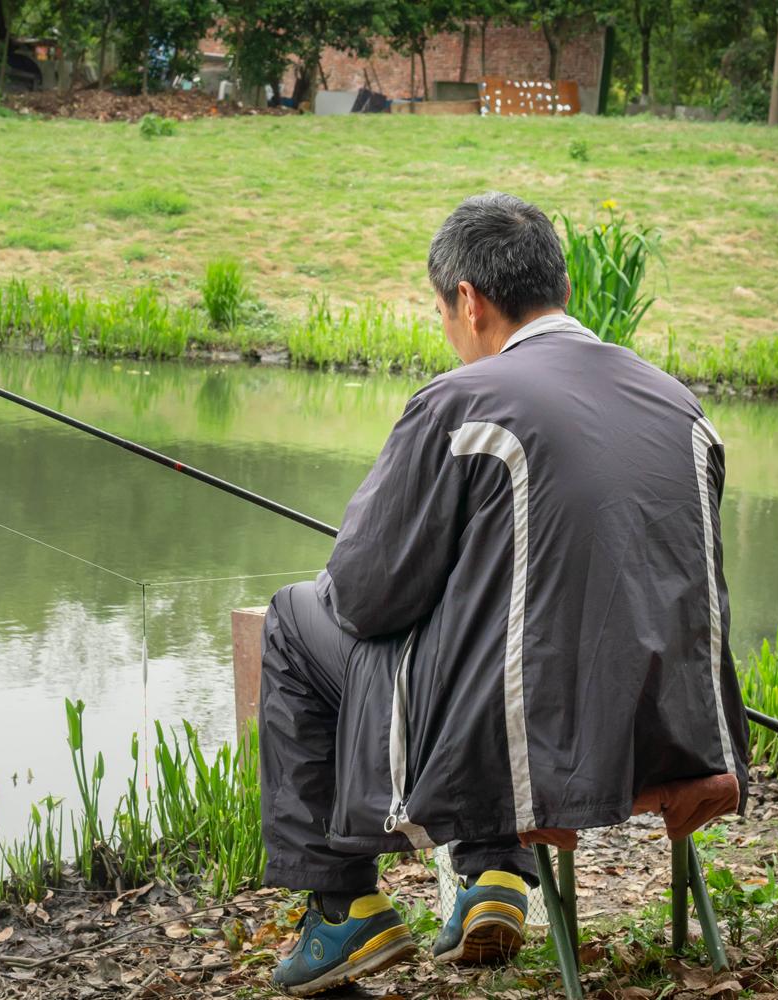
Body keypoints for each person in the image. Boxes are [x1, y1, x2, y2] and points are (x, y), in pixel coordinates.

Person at [258, 192, 750, 996]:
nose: (451, 336)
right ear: (557, 286)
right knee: (502, 621)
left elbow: (364, 597)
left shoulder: (465, 402)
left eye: (444, 314)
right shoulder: (678, 404)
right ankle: (494, 876)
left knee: (292, 617)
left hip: (530, 748)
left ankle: (344, 909)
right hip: (670, 735)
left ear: (468, 300)